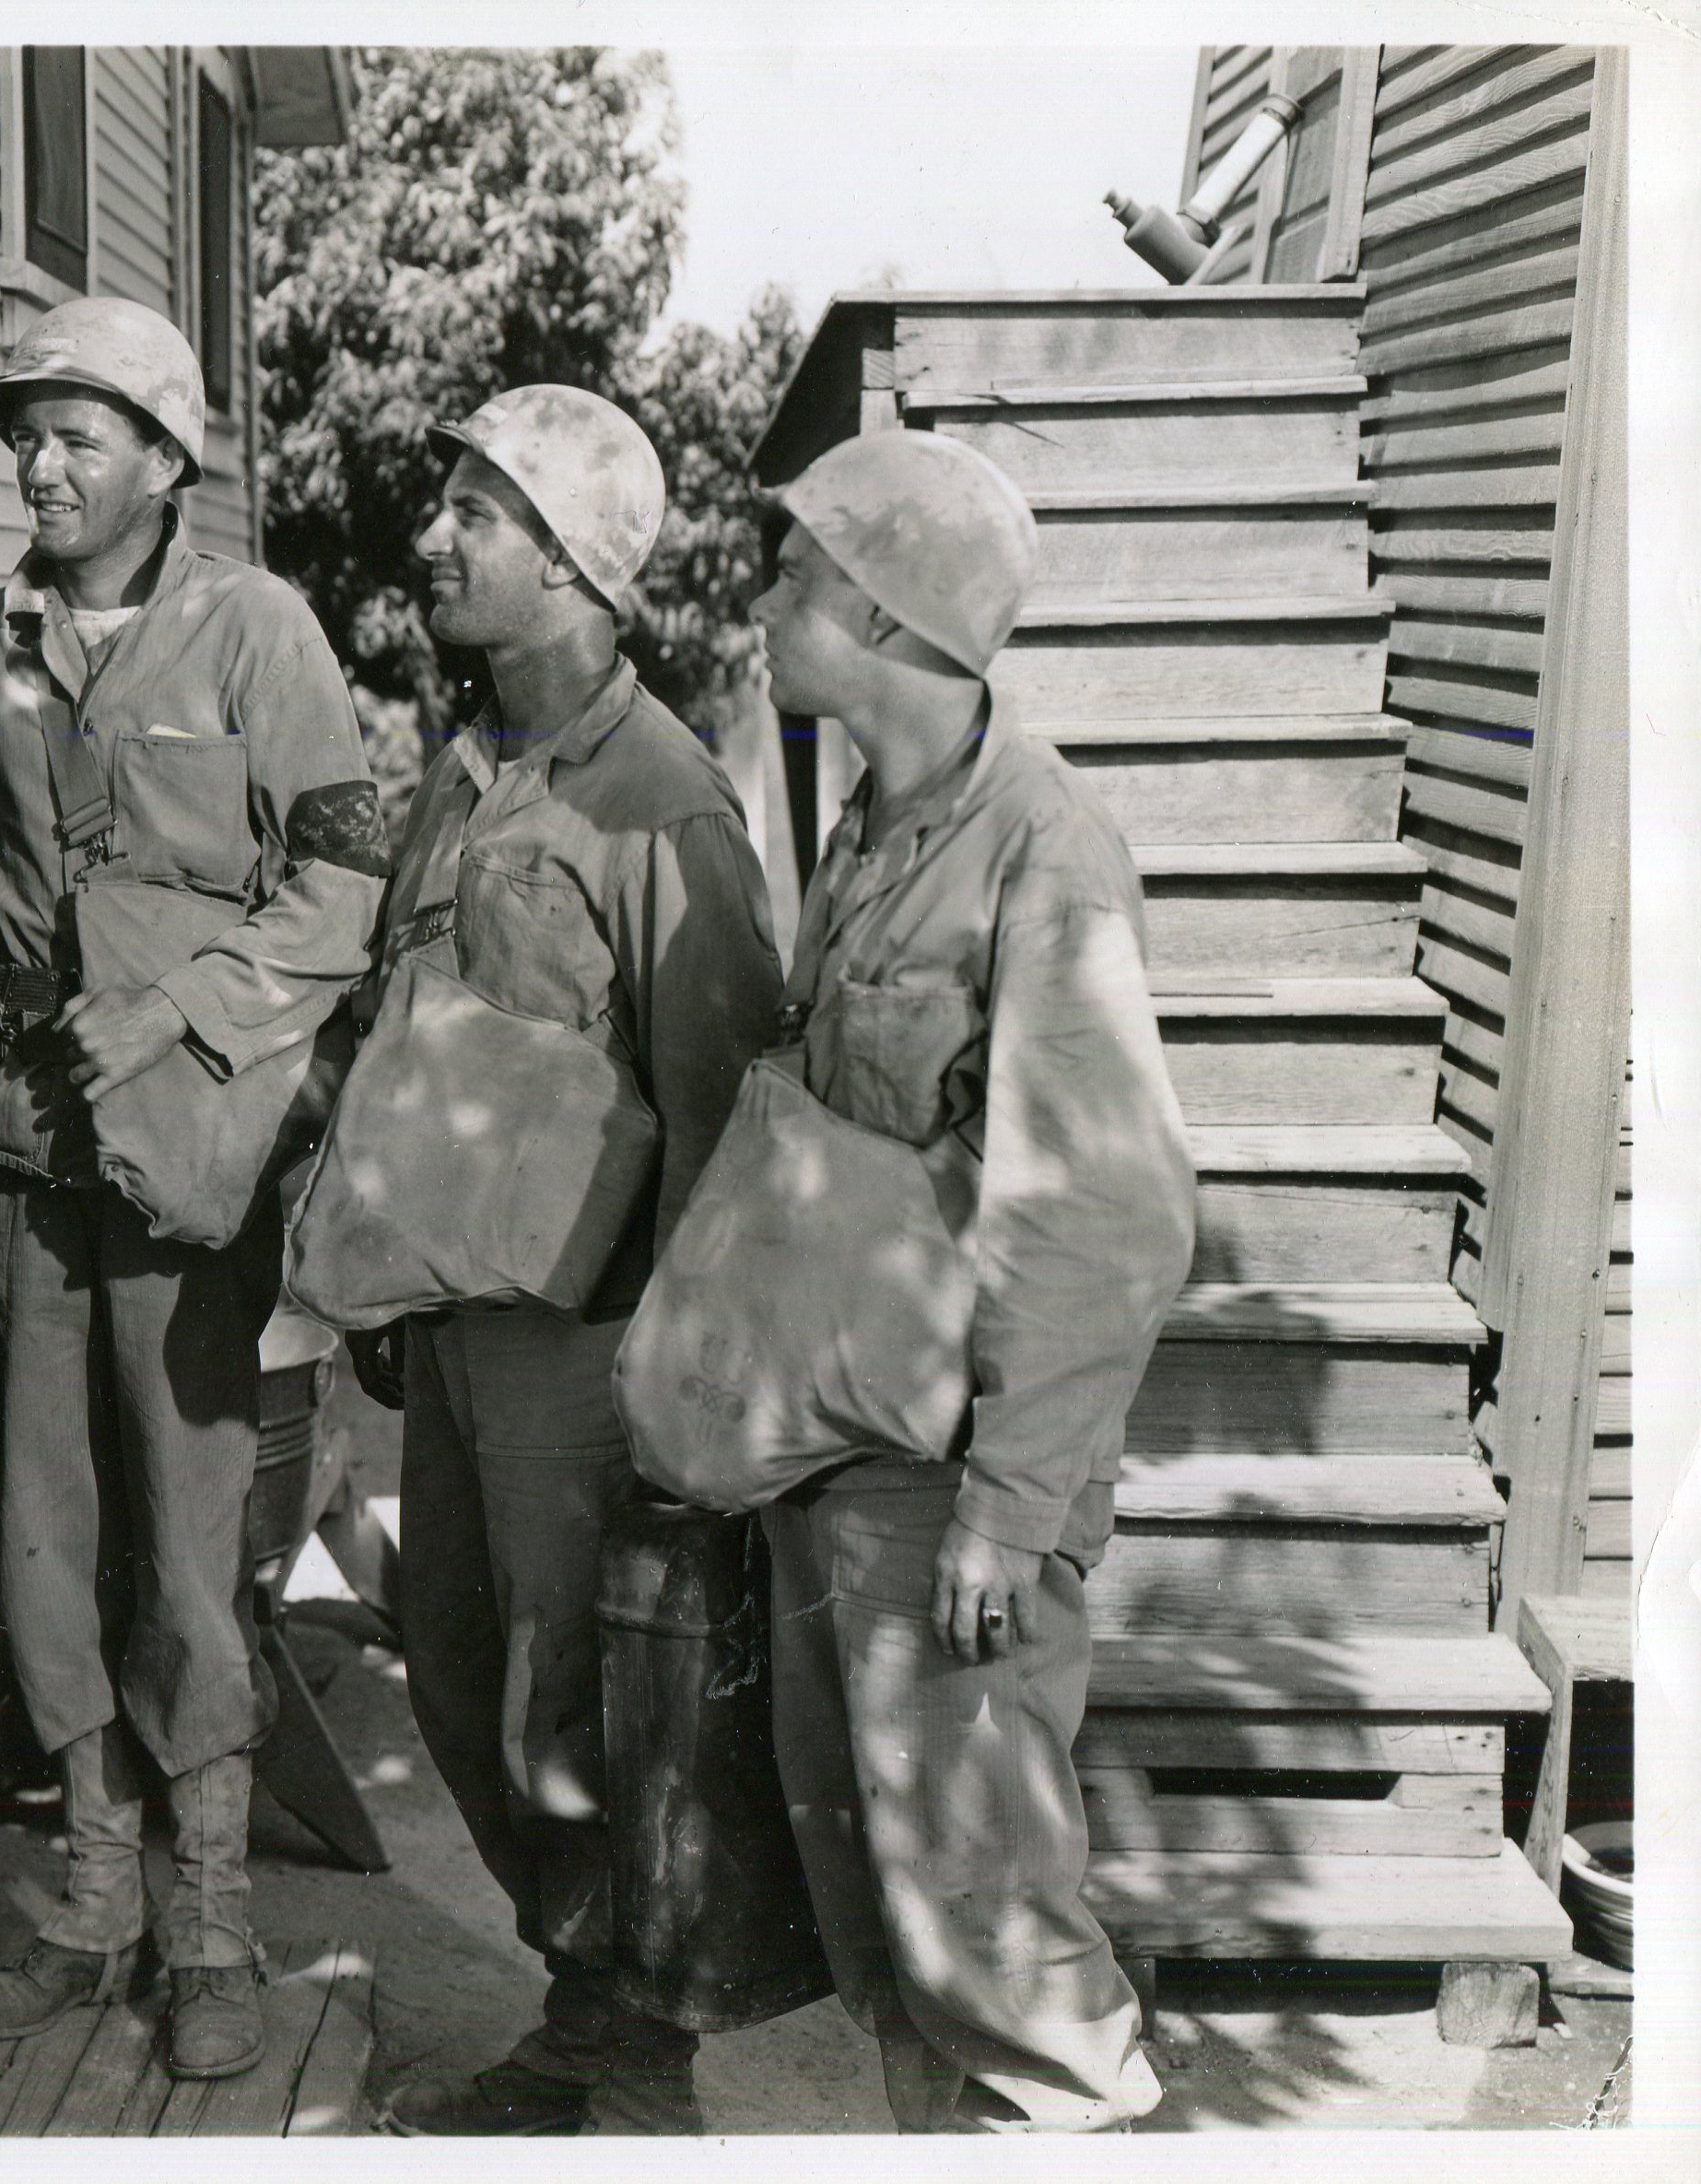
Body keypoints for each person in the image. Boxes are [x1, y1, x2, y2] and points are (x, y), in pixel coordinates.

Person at [0, 297, 386, 2080]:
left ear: (168, 456)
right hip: (23, 1157)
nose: (39, 464)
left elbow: (343, 893)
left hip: (191, 1157)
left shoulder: (258, 629)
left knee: (190, 1541)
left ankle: (211, 1921)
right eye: (24, 434)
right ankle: (95, 1895)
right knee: (42, 1532)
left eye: (77, 434)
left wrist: (175, 1012)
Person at [348, 387, 792, 2136]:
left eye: (480, 509)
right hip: (452, 1324)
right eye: (445, 498)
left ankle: (625, 2059)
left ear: (580, 563)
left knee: (576, 1706)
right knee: (456, 1671)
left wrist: (678, 1390)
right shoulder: (466, 770)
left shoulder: (665, 803)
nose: (432, 534)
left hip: (585, 1352)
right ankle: (582, 2001)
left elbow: (724, 1118)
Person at [742, 428, 1195, 2132]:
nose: (767, 599)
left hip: (958, 1490)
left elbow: (1109, 1212)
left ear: (873, 605)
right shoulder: (875, 819)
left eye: (795, 571)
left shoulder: (1041, 848)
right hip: (855, 1437)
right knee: (883, 1898)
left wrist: (1009, 1512)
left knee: (996, 1931)